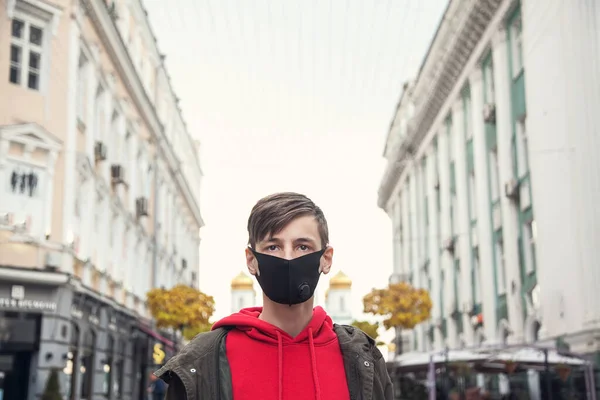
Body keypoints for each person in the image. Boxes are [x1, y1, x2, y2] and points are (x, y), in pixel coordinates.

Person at [155, 192, 393, 399]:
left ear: (326, 258)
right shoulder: (204, 361)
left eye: (303, 247)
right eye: (273, 247)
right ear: (252, 261)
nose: (288, 258)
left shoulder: (362, 358)